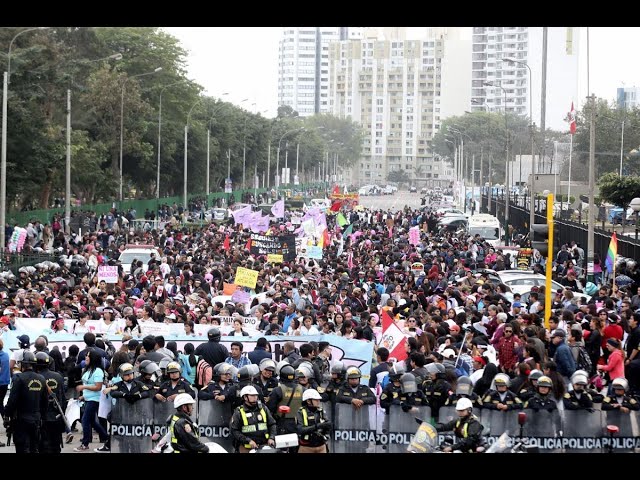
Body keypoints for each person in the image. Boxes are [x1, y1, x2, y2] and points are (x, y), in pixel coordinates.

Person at [3, 351, 48, 453]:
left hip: (21, 420)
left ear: (23, 364)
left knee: (22, 448)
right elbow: (45, 402)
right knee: (34, 447)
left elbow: (12, 401)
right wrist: (42, 417)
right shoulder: (41, 379)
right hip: (36, 420)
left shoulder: (19, 378)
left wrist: (7, 415)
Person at [74, 349, 110, 451]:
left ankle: (85, 444)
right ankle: (107, 438)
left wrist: (83, 388)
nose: (86, 357)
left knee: (85, 420)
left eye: (88, 356)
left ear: (93, 358)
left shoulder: (98, 371)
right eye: (86, 356)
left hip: (94, 399)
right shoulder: (88, 369)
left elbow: (98, 387)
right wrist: (83, 396)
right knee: (92, 422)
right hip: (88, 398)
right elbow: (88, 384)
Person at [34, 352, 66, 454]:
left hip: (42, 418)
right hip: (56, 415)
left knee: (43, 446)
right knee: (56, 445)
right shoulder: (58, 376)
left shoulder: (36, 378)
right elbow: (63, 398)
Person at [230, 385, 277, 453]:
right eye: (252, 396)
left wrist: (271, 438)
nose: (255, 397)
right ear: (245, 397)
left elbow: (272, 424)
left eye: (256, 395)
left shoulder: (263, 408)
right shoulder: (239, 411)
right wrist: (248, 441)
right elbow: (234, 430)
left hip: (264, 445)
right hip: (246, 447)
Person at [296, 389, 331, 453]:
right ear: (308, 401)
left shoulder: (321, 411)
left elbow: (327, 424)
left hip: (321, 446)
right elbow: (300, 430)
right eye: (316, 400)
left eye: (319, 400)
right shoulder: (301, 412)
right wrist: (317, 426)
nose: (318, 401)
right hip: (306, 447)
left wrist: (327, 429)